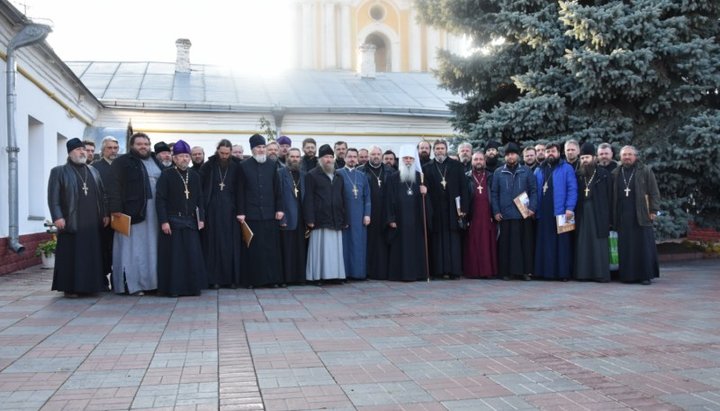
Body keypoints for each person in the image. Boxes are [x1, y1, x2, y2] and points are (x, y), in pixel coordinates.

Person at [48, 138, 108, 297]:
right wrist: (57, 216)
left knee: (91, 254)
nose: (82, 152)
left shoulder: (93, 171)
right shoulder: (59, 171)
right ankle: (71, 288)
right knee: (72, 256)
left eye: (84, 150)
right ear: (70, 153)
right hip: (71, 221)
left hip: (92, 221)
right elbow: (53, 198)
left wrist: (105, 214)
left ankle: (92, 286)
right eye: (78, 150)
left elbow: (102, 196)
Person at [109, 132, 162, 295]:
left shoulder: (156, 161)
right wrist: (115, 208)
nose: (143, 147)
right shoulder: (122, 162)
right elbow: (113, 186)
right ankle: (132, 285)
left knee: (152, 249)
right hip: (131, 213)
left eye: (146, 144)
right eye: (139, 144)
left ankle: (152, 284)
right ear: (132, 146)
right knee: (132, 250)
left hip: (154, 213)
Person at [155, 140, 207, 297]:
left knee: (191, 255)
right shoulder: (166, 175)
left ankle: (192, 288)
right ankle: (174, 289)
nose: (185, 159)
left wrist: (201, 218)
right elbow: (160, 200)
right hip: (172, 221)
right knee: (175, 258)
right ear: (174, 158)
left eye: (186, 156)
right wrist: (164, 221)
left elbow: (200, 199)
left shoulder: (195, 175)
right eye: (181, 156)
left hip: (190, 221)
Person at [236, 134, 284, 288]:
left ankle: (272, 280)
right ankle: (253, 281)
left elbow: (278, 189)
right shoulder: (244, 166)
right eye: (259, 147)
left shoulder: (272, 165)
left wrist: (280, 208)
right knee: (253, 249)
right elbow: (240, 191)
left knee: (270, 248)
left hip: (270, 213)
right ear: (252, 149)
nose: (262, 150)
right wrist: (241, 212)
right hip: (251, 214)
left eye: (263, 147)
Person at [611, 145, 660, 284]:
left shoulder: (645, 171)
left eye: (629, 154)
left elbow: (654, 192)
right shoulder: (615, 173)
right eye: (624, 155)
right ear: (620, 157)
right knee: (626, 246)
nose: (627, 157)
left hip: (641, 213)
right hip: (622, 214)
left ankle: (645, 276)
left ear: (635, 156)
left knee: (643, 246)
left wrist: (653, 210)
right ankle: (628, 276)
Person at [199, 139, 242, 288]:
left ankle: (231, 279)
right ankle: (214, 279)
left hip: (231, 210)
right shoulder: (208, 166)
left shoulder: (237, 166)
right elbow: (200, 188)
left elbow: (241, 191)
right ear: (217, 151)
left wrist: (240, 211)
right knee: (214, 245)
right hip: (213, 210)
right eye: (222, 153)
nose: (224, 156)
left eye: (227, 153)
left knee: (230, 245)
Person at [422, 139, 468, 279]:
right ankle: (439, 271)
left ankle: (454, 271)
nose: (440, 151)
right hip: (435, 210)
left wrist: (464, 208)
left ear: (446, 150)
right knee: (437, 240)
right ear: (433, 150)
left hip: (453, 209)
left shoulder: (456, 165)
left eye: (442, 148)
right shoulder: (427, 167)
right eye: (437, 148)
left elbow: (464, 188)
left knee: (453, 240)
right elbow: (425, 188)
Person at [491, 142, 537, 280]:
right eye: (508, 155)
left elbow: (533, 191)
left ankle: (525, 272)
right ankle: (507, 272)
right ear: (505, 157)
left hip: (523, 214)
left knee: (524, 245)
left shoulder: (526, 171)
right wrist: (496, 211)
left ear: (518, 155)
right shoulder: (499, 172)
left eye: (513, 154)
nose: (511, 157)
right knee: (506, 246)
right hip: (505, 215)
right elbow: (494, 193)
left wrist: (532, 208)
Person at [385, 145, 431, 281]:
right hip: (400, 220)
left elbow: (427, 202)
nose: (408, 161)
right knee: (401, 248)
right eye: (406, 158)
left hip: (416, 220)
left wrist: (425, 193)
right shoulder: (393, 178)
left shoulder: (420, 177)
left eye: (411, 158)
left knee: (416, 247)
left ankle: (418, 274)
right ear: (401, 160)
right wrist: (391, 218)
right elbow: (389, 200)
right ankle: (400, 274)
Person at [534, 142, 577, 281]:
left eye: (553, 151)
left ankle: (563, 273)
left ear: (559, 153)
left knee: (563, 244)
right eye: (548, 152)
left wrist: (570, 207)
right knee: (544, 242)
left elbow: (572, 189)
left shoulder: (567, 168)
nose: (550, 154)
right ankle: (544, 273)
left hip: (563, 211)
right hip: (543, 211)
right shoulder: (539, 170)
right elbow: (533, 191)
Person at [304, 144, 346, 283]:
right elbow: (308, 198)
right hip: (319, 219)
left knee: (334, 250)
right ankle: (318, 276)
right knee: (320, 251)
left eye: (330, 157)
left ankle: (335, 276)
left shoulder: (339, 175)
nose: (329, 160)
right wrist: (309, 219)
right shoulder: (312, 175)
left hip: (336, 218)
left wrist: (344, 218)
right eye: (325, 157)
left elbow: (342, 198)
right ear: (320, 159)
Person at [574, 142, 611, 282]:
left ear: (594, 158)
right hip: (582, 213)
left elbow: (609, 197)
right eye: (582, 158)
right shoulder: (578, 175)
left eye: (587, 157)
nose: (584, 160)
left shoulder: (604, 174)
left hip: (598, 213)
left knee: (598, 244)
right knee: (583, 243)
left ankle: (600, 274)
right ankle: (583, 274)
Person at [358, 145, 394, 280]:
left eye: (378, 154)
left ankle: (383, 272)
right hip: (368, 212)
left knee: (383, 242)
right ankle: (368, 271)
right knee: (369, 242)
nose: (376, 156)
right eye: (373, 154)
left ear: (382, 156)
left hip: (384, 211)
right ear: (369, 156)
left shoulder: (389, 171)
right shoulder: (361, 170)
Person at [338, 148, 371, 280]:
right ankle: (345, 273)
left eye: (354, 157)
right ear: (344, 158)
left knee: (358, 244)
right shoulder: (338, 174)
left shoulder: (362, 175)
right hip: (345, 214)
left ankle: (358, 273)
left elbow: (367, 197)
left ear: (357, 159)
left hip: (360, 215)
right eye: (349, 156)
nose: (352, 159)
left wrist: (367, 214)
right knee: (345, 245)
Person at [92, 136, 119, 288]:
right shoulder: (96, 167)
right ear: (102, 150)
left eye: (115, 148)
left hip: (120, 215)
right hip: (104, 216)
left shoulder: (122, 165)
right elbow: (98, 193)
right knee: (103, 248)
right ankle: (102, 281)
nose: (113, 151)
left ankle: (118, 280)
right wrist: (105, 213)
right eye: (109, 148)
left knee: (119, 248)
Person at [464, 152, 497, 278]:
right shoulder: (466, 176)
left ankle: (487, 271)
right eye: (476, 159)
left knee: (487, 243)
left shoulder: (491, 176)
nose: (478, 161)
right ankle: (473, 271)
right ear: (472, 161)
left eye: (481, 159)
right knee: (473, 243)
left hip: (488, 214)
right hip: (473, 214)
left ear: (485, 161)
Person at [278, 148, 308, 284]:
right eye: (292, 156)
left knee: (301, 249)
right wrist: (282, 218)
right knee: (287, 250)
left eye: (297, 157)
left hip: (301, 218)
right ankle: (287, 278)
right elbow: (277, 197)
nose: (295, 159)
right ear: (287, 158)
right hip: (287, 216)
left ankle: (300, 278)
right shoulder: (280, 173)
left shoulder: (304, 175)